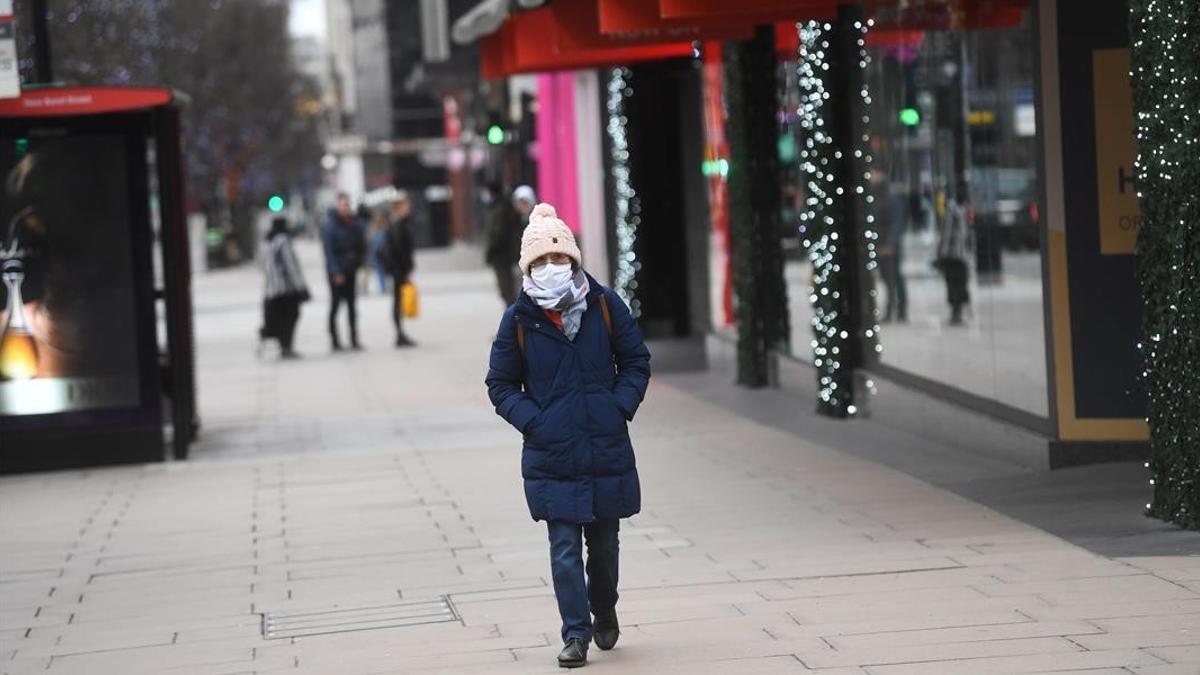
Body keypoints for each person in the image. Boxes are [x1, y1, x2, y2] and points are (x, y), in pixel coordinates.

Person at [485, 203, 651, 669]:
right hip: (553, 453)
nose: (552, 268)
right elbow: (500, 384)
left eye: (559, 259)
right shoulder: (519, 319)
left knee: (603, 547)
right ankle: (575, 634)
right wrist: (536, 423)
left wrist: (619, 406)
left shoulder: (604, 304)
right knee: (563, 549)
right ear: (528, 268)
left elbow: (636, 361)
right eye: (541, 262)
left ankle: (604, 608)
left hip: (604, 445)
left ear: (574, 260)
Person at [321, 192, 367, 351]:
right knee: (335, 305)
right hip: (337, 271)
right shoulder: (329, 225)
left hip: (351, 269)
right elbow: (328, 252)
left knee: (352, 306)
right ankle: (335, 340)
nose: (345, 208)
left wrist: (360, 263)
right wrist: (335, 272)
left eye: (347, 204)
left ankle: (354, 339)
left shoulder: (353, 223)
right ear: (337, 205)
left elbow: (360, 244)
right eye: (342, 204)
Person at [259, 217, 309, 359]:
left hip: (271, 289)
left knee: (279, 318)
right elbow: (290, 265)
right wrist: (300, 286)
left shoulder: (266, 242)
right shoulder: (283, 240)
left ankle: (283, 345)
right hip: (287, 289)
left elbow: (262, 265)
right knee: (291, 317)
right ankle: (287, 346)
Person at [381, 192, 416, 347]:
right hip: (398, 270)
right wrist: (405, 270)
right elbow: (400, 250)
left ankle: (400, 333)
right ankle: (399, 334)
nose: (408, 208)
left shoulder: (400, 224)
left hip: (399, 269)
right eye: (405, 206)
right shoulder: (397, 225)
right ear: (398, 208)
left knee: (398, 301)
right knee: (397, 301)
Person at [482, 182, 522, 306]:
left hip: (501, 255)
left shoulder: (499, 208)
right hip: (504, 254)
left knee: (507, 288)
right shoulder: (502, 206)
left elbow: (497, 233)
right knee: (508, 288)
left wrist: (490, 251)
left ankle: (513, 315)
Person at [935, 197, 972, 326]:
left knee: (955, 283)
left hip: (954, 255)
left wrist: (941, 254)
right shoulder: (961, 211)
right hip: (958, 255)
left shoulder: (952, 212)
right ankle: (958, 310)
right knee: (958, 283)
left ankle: (957, 310)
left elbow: (946, 236)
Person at [366, 212, 391, 295]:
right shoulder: (378, 231)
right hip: (379, 256)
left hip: (379, 256)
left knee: (381, 272)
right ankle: (383, 287)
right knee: (381, 272)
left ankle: (383, 287)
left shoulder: (378, 232)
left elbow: (371, 245)